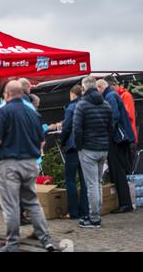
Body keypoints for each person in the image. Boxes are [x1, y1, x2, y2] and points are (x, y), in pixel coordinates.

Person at [0, 80, 54, 252]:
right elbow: (41, 141)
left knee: (10, 205)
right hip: (30, 163)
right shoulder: (33, 113)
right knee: (32, 202)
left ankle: (12, 244)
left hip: (8, 164)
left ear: (7, 94)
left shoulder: (2, 112)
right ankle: (46, 240)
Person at [73, 77, 113, 228]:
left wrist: (79, 146)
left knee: (91, 185)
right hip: (103, 149)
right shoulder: (106, 104)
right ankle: (96, 215)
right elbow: (111, 128)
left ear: (84, 88)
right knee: (98, 183)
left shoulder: (81, 105)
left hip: (88, 149)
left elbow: (77, 129)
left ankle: (94, 219)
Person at [97, 79, 135, 214]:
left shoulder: (110, 96)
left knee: (118, 170)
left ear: (101, 87)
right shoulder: (112, 95)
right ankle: (122, 202)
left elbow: (114, 117)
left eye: (97, 90)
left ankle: (125, 203)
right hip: (119, 139)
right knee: (116, 170)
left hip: (116, 140)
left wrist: (107, 134)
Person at [60, 85, 89, 219]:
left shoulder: (71, 107)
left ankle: (73, 212)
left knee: (70, 179)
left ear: (72, 94)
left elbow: (66, 127)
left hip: (72, 147)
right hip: (86, 146)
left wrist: (63, 141)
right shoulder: (88, 105)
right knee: (84, 179)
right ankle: (85, 211)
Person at [104, 75, 138, 143]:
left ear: (113, 85)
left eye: (108, 88)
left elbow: (129, 115)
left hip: (127, 134)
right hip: (122, 135)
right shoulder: (115, 95)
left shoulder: (126, 95)